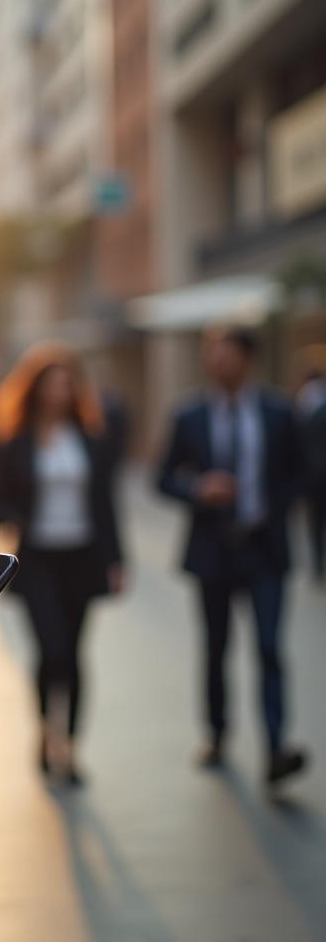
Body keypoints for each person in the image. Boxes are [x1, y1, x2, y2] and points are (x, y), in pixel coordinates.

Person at [156, 324, 308, 787]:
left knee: (268, 647)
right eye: (211, 354)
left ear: (249, 359)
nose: (215, 363)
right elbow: (162, 478)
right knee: (216, 647)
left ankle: (276, 747)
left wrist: (271, 504)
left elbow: (302, 472)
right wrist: (197, 489)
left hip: (264, 549)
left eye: (224, 354)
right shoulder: (189, 415)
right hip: (213, 550)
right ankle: (217, 733)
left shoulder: (279, 413)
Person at [0, 341, 124, 785]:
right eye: (52, 384)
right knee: (52, 651)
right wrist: (13, 517)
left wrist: (116, 559)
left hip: (82, 557)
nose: (60, 393)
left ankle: (70, 745)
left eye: (67, 384)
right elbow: (0, 498)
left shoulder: (91, 439)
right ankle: (47, 732)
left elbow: (106, 504)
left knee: (76, 654)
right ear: (36, 389)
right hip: (39, 560)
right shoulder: (17, 440)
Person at [296, 366, 326, 582]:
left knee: (316, 521)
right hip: (316, 472)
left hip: (315, 474)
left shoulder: (306, 402)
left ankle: (318, 564)